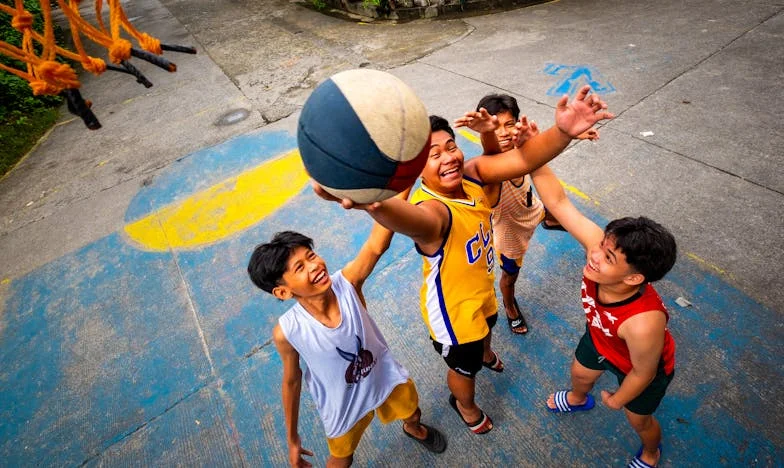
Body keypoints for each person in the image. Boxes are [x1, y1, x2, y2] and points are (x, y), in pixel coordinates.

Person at [313, 85, 613, 436]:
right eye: (433, 155)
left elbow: (523, 160)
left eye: (450, 147)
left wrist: (562, 131)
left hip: (482, 291)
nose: (448, 158)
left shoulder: (472, 174)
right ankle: (465, 406)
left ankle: (486, 353)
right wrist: (372, 203)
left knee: (489, 328)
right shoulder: (433, 212)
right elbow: (408, 219)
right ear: (416, 171)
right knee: (463, 370)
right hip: (454, 317)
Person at [247, 201, 446, 468]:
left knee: (412, 412)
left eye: (311, 256)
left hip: (383, 377)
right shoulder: (287, 332)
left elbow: (376, 245)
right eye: (299, 267)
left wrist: (392, 188)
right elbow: (291, 381)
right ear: (283, 292)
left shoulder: (348, 283)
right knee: (342, 457)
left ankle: (413, 428)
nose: (314, 266)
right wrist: (292, 438)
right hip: (342, 404)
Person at [530, 164, 677, 468]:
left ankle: (651, 452)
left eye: (608, 257)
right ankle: (578, 398)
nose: (595, 255)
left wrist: (618, 399)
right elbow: (557, 201)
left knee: (639, 420)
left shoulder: (643, 323)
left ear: (634, 279)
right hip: (600, 337)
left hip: (637, 367)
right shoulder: (599, 252)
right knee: (580, 374)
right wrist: (531, 155)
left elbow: (643, 373)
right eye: (602, 245)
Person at [474, 93, 601, 335]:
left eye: (509, 124)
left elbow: (541, 148)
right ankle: (510, 306)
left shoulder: (521, 146)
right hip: (513, 234)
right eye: (494, 127)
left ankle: (549, 221)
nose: (503, 132)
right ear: (484, 129)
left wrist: (568, 135)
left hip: (532, 208)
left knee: (548, 211)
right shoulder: (488, 171)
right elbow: (494, 156)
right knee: (509, 277)